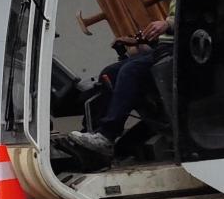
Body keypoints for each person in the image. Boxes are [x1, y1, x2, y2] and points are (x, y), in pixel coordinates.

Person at [67, 10, 173, 159]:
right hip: (164, 47)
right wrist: (139, 42)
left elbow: (195, 24)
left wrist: (168, 24)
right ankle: (94, 135)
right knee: (109, 72)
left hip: (178, 50)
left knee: (130, 71)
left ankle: (107, 136)